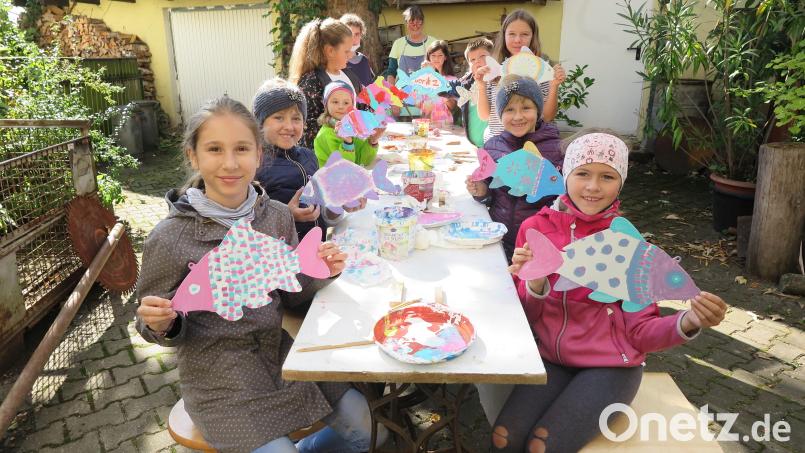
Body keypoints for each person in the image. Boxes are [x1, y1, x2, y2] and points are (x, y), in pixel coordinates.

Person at [135, 95, 387, 453]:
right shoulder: (170, 237)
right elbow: (149, 323)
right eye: (214, 149)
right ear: (193, 156)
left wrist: (319, 271)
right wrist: (162, 324)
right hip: (218, 383)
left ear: (258, 155)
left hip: (279, 354)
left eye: (241, 149)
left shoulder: (277, 217)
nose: (230, 163)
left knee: (373, 430)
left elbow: (292, 293)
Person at [493, 132, 728, 452]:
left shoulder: (628, 244)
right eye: (583, 174)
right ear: (565, 175)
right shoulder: (535, 228)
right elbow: (527, 318)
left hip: (610, 368)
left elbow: (643, 332)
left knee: (541, 445)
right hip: (550, 358)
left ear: (620, 183)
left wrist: (687, 322)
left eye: (607, 176)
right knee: (503, 437)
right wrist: (535, 283)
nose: (593, 186)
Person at [252, 78, 366, 241]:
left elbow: (324, 214)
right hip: (280, 259)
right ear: (260, 122)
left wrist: (340, 203)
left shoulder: (308, 157)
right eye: (279, 117)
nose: (289, 126)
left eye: (296, 118)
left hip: (316, 254)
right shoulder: (254, 165)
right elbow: (246, 223)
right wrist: (287, 216)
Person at [466, 75, 562, 260]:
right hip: (501, 238)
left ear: (538, 110)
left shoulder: (557, 150)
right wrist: (481, 191)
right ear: (500, 114)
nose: (518, 116)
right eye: (509, 110)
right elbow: (490, 195)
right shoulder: (492, 147)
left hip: (538, 243)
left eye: (526, 108)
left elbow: (560, 200)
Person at [475, 9, 566, 142]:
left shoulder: (540, 70)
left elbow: (547, 117)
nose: (517, 40)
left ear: (532, 37)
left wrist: (554, 86)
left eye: (524, 34)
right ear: (504, 35)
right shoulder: (493, 70)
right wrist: (481, 85)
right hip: (498, 144)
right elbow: (484, 116)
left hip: (533, 144)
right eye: (511, 34)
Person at [289, 18, 364, 149]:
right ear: (330, 51)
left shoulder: (349, 75)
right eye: (346, 51)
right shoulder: (311, 82)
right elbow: (308, 132)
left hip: (353, 154)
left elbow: (361, 107)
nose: (350, 55)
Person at [383, 5, 437, 119]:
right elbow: (391, 73)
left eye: (419, 22)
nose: (415, 25)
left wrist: (430, 99)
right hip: (401, 97)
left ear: (423, 22)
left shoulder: (433, 44)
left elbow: (440, 73)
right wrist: (393, 98)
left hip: (426, 97)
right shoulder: (398, 44)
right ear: (406, 23)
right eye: (412, 22)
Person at [314, 81, 381, 168]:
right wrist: (348, 143)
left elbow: (363, 161)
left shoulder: (352, 127)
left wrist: (372, 141)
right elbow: (344, 168)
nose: (340, 106)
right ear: (326, 105)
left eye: (346, 103)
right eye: (335, 102)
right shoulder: (326, 134)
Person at [447, 38, 493, 147]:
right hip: (475, 147)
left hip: (495, 147)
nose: (477, 61)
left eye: (482, 57)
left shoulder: (498, 82)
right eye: (472, 60)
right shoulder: (466, 84)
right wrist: (430, 74)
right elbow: (445, 88)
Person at [340, 13, 375, 86]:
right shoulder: (336, 63)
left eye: (357, 34)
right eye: (350, 34)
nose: (354, 39)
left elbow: (371, 85)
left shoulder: (364, 60)